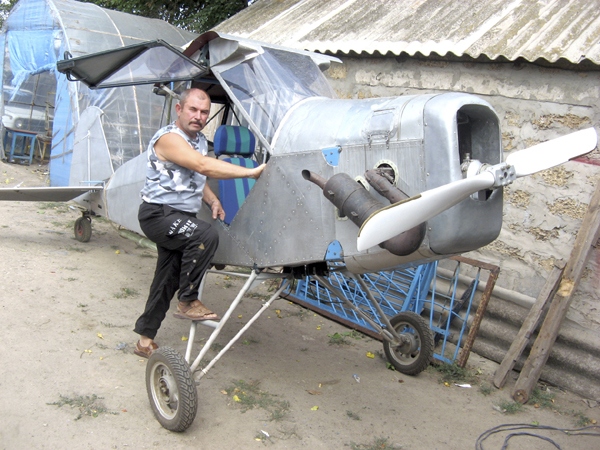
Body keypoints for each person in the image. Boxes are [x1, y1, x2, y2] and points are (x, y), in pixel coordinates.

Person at [133, 88, 266, 358]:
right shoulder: (170, 139)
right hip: (159, 214)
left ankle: (144, 342)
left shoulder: (199, 142)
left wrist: (213, 200)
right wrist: (251, 171)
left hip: (181, 218)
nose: (199, 116)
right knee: (205, 235)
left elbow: (196, 176)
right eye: (193, 110)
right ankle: (188, 300)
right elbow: (202, 166)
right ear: (179, 110)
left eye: (204, 112)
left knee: (166, 278)